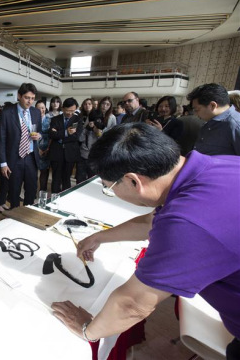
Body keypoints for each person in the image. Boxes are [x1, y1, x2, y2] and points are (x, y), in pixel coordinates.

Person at [51, 123, 240, 360]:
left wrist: (87, 330)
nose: (111, 192)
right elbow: (151, 222)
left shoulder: (186, 223)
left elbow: (133, 305)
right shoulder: (219, 165)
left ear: (132, 181)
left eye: (109, 188)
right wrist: (99, 237)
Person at [0, 83, 42, 208]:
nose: (30, 101)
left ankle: (27, 215)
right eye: (27, 97)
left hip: (31, 157)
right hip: (14, 158)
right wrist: (3, 163)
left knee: (31, 190)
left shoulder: (36, 113)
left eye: (33, 98)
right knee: (14, 191)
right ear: (19, 96)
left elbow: (40, 132)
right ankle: (14, 216)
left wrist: (39, 136)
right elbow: (2, 139)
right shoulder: (7, 113)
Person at [189, 83, 240, 156]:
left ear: (213, 105)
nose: (195, 114)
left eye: (197, 110)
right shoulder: (210, 123)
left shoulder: (235, 124)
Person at [48, 97, 83, 193]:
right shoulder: (55, 119)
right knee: (56, 178)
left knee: (66, 179)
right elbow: (51, 134)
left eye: (73, 111)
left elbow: (76, 136)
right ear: (63, 108)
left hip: (70, 153)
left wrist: (59, 136)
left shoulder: (77, 119)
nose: (70, 113)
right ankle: (54, 199)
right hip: (56, 153)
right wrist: (66, 133)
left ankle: (65, 197)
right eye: (68, 110)